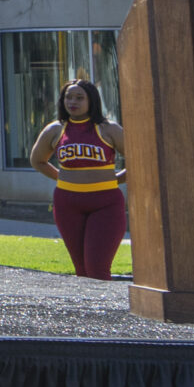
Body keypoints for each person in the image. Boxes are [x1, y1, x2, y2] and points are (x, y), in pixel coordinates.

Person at [32, 77, 127, 280]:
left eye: (79, 98)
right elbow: (37, 160)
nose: (72, 102)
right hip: (67, 204)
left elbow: (141, 160)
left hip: (105, 204)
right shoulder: (55, 129)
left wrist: (117, 178)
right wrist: (63, 177)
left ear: (91, 101)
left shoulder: (109, 129)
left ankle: (108, 311)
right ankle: (88, 312)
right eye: (68, 97)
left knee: (97, 269)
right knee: (82, 270)